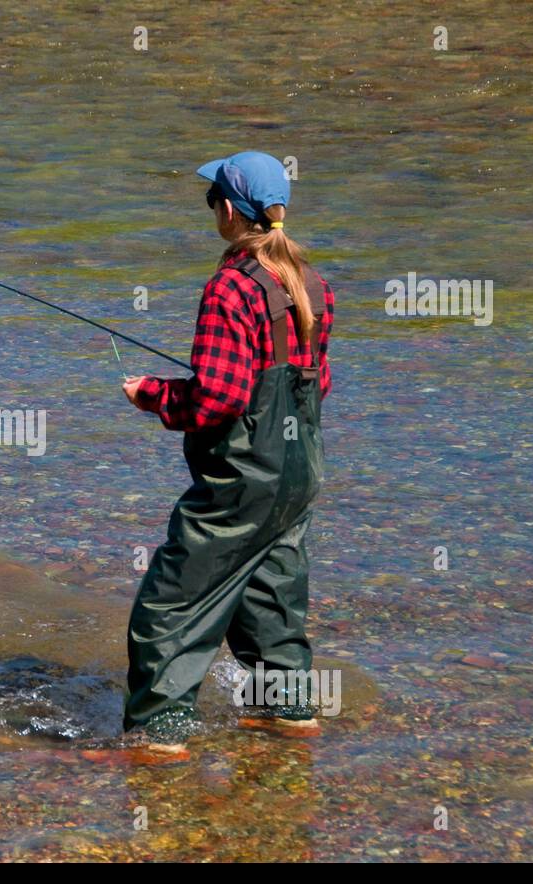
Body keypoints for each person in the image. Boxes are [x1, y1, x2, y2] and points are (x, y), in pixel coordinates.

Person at [121, 151, 334, 740]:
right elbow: (318, 382)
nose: (210, 208)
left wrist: (153, 395)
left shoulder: (229, 289)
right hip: (299, 471)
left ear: (230, 211)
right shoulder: (315, 284)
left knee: (169, 605)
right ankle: (286, 713)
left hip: (241, 479)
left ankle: (157, 737)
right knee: (271, 598)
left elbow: (217, 400)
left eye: (211, 197)